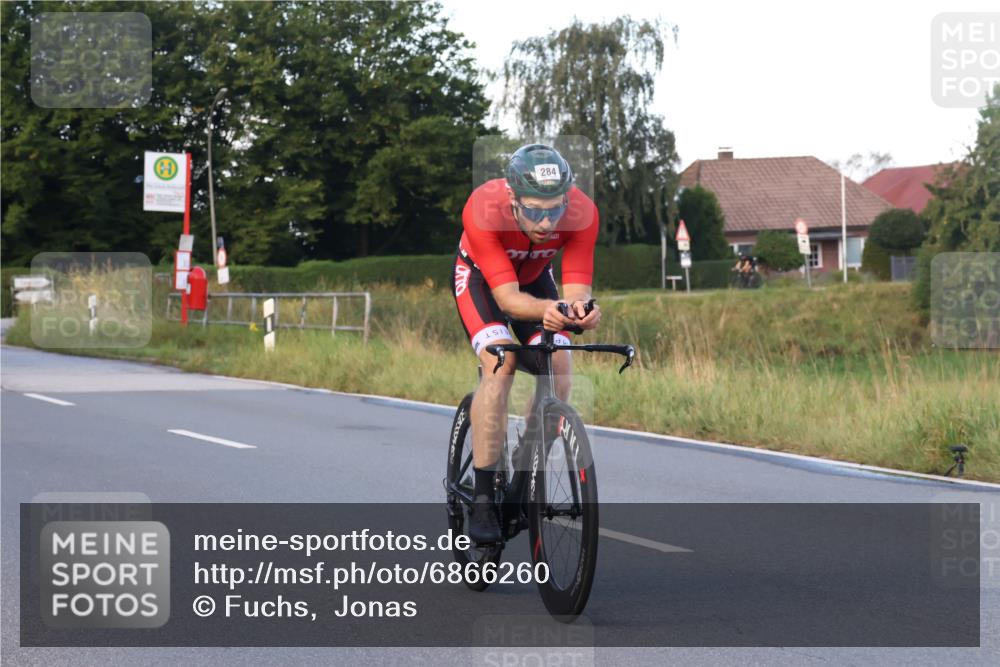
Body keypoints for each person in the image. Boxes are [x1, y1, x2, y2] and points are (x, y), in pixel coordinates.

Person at [451, 143, 601, 543]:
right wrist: (551, 308)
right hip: (482, 282)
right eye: (534, 211)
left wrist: (582, 311)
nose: (546, 222)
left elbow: (577, 290)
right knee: (501, 364)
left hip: (535, 280)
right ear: (513, 198)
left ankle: (526, 460)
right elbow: (507, 301)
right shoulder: (483, 208)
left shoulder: (582, 213)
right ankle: (484, 496)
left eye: (555, 210)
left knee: (560, 364)